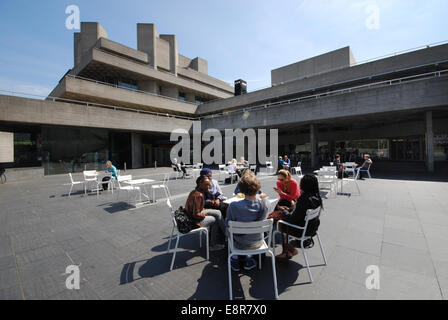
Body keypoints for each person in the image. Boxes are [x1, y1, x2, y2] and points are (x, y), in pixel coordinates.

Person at [269, 174, 323, 260]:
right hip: (312, 228)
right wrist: (289, 209)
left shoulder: (304, 199)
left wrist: (284, 211)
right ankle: (288, 250)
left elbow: (292, 219)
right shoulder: (317, 197)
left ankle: (288, 251)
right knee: (281, 216)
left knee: (281, 222)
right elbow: (301, 212)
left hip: (301, 230)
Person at [225, 173, 270, 271]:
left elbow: (227, 225)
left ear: (241, 189)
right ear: (257, 187)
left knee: (229, 230)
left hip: (239, 243)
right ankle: (249, 258)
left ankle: (235, 257)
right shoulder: (265, 203)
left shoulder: (233, 206)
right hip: (258, 242)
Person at [185, 176, 226, 251]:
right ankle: (223, 237)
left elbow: (197, 209)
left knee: (217, 212)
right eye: (206, 184)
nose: (209, 186)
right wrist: (206, 214)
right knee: (215, 219)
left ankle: (225, 234)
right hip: (194, 220)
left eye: (209, 184)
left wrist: (206, 210)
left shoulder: (194, 191)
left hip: (191, 215)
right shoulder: (199, 195)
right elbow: (196, 214)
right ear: (200, 183)